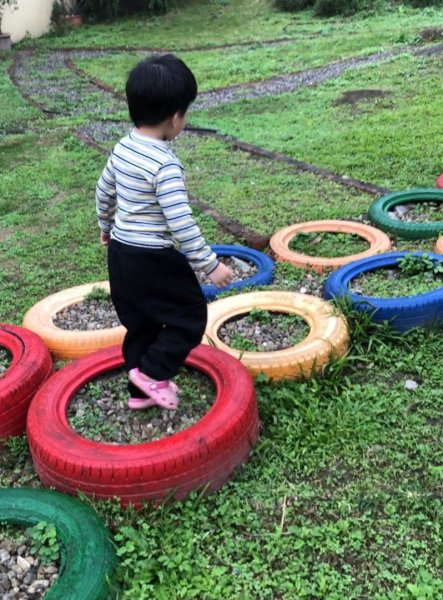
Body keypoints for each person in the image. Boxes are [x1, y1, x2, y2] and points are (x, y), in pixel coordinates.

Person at [95, 54, 233, 411]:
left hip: (121, 254)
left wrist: (105, 226)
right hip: (152, 257)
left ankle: (140, 392)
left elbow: (104, 189)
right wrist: (209, 265)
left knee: (141, 322)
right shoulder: (165, 165)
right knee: (189, 314)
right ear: (175, 118)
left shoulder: (123, 147)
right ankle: (153, 373)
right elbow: (181, 223)